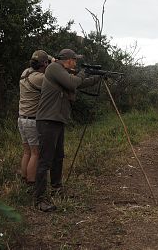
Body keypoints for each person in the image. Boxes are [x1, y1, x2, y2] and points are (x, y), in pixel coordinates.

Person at [34, 48, 100, 212]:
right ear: (68, 60)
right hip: (48, 120)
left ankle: (57, 189)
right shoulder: (54, 68)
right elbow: (73, 83)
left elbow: (79, 82)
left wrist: (98, 78)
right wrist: (84, 73)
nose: (76, 63)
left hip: (57, 120)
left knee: (58, 157)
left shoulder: (63, 73)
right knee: (45, 161)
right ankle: (39, 199)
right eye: (74, 60)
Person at [18, 50, 51, 189]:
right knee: (35, 153)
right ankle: (32, 184)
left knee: (27, 152)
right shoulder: (40, 78)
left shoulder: (25, 72)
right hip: (31, 120)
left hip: (21, 118)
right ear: (44, 64)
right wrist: (53, 65)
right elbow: (54, 78)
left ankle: (24, 178)